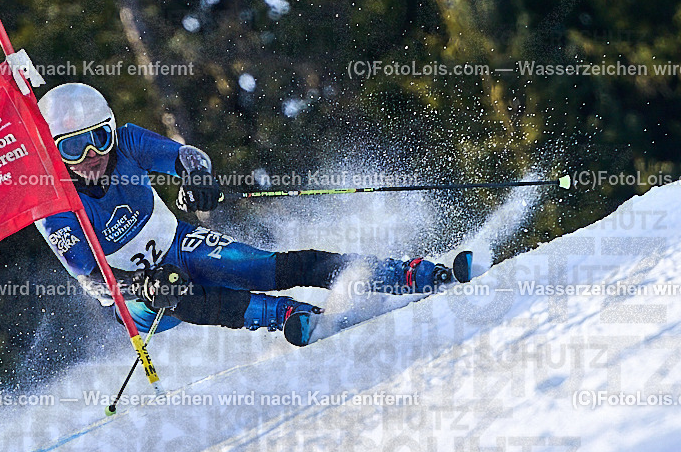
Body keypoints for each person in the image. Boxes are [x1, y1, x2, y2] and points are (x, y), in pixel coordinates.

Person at [35, 83, 455, 346]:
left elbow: (186, 155)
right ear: (55, 153)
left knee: (265, 267)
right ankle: (285, 315)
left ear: (112, 130)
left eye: (99, 138)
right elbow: (92, 282)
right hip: (137, 300)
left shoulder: (127, 143)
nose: (91, 156)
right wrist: (138, 284)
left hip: (178, 243)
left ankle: (399, 273)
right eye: (72, 148)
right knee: (177, 294)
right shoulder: (54, 208)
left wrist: (197, 176)